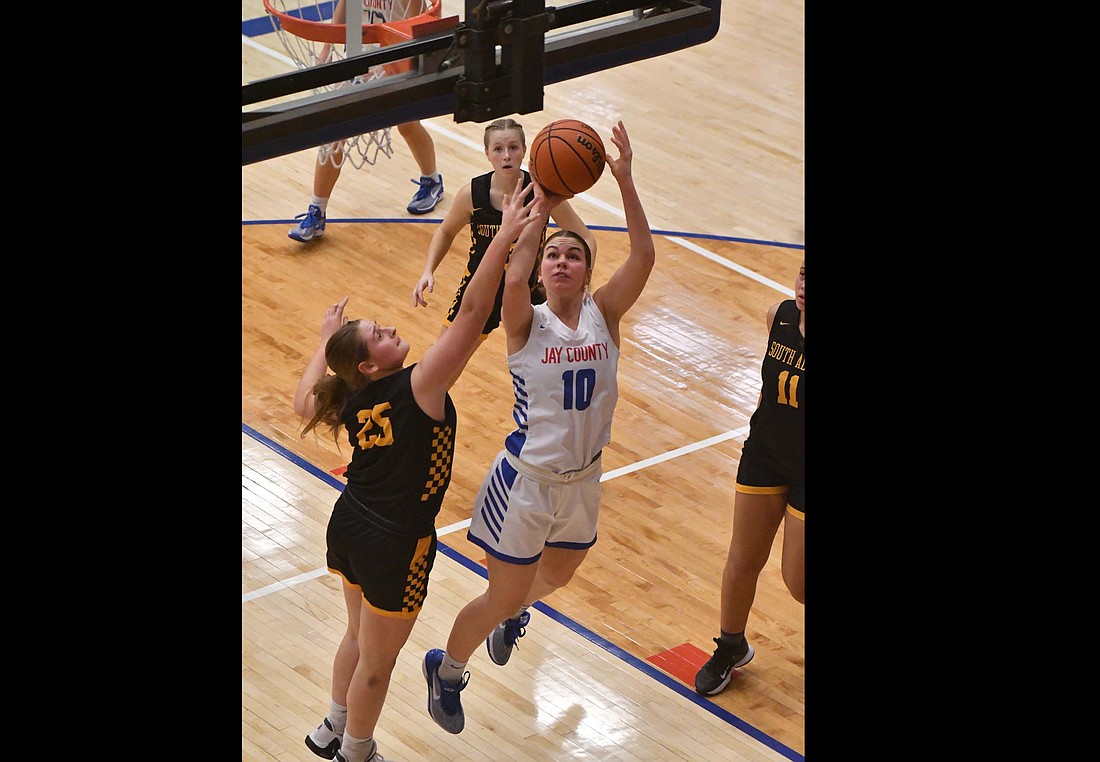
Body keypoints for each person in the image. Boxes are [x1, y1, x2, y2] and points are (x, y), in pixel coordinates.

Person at [293, 175, 548, 762]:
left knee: (357, 637)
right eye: (378, 335)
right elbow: (476, 309)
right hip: (395, 540)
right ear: (370, 363)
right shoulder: (421, 384)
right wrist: (503, 236)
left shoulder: (347, 395)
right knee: (379, 665)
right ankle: (358, 750)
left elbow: (303, 400)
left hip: (350, 522)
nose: (388, 329)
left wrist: (323, 341)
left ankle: (332, 726)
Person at [421, 120, 655, 735]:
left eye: (572, 252)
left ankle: (511, 613)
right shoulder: (527, 323)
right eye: (553, 252)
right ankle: (445, 669)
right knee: (501, 594)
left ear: (584, 270)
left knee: (556, 577)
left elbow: (644, 256)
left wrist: (625, 181)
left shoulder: (606, 314)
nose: (561, 258)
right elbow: (513, 277)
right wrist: (530, 221)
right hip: (524, 481)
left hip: (582, 482)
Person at [693, 258, 804, 696]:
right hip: (765, 453)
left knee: (798, 583)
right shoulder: (778, 317)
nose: (804, 286)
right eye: (802, 273)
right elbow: (769, 384)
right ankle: (730, 646)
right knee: (742, 560)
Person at [412, 117, 597, 337]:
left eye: (513, 147)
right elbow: (446, 231)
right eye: (498, 149)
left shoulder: (541, 192)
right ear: (487, 153)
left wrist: (584, 281)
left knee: (547, 359)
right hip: (480, 288)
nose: (507, 155)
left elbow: (585, 237)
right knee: (443, 359)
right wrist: (428, 270)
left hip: (528, 290)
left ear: (525, 150)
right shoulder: (472, 194)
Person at [288, 0, 444, 243]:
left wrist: (387, 67)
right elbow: (345, 6)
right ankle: (317, 211)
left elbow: (409, 34)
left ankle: (432, 181)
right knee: (334, 132)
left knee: (408, 125)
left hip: (397, 57)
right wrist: (327, 47)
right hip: (359, 53)